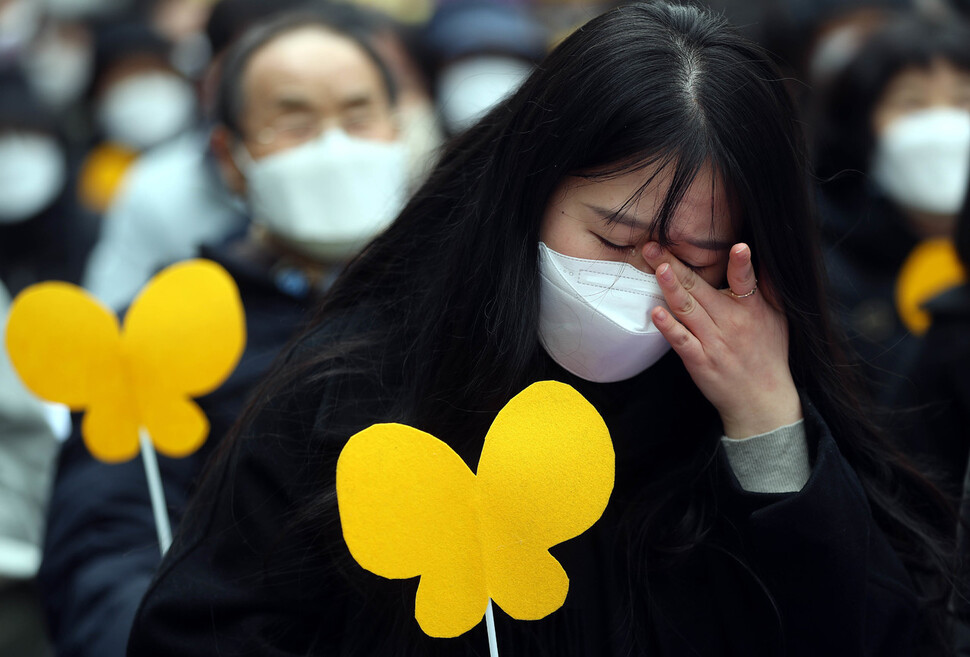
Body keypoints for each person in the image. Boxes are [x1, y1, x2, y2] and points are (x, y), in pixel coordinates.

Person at [129, 3, 954, 655]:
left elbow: (869, 629)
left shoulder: (739, 406)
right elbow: (200, 631)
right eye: (615, 240)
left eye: (695, 257)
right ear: (527, 190)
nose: (646, 283)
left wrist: (769, 427)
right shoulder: (357, 391)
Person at [38, 8, 408, 657]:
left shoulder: (468, 302)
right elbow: (106, 536)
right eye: (292, 121)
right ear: (230, 157)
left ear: (397, 130)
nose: (334, 145)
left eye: (358, 115)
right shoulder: (161, 330)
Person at [812, 14, 970, 400]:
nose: (942, 123)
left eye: (963, 100)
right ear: (862, 126)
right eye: (912, 102)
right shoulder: (824, 266)